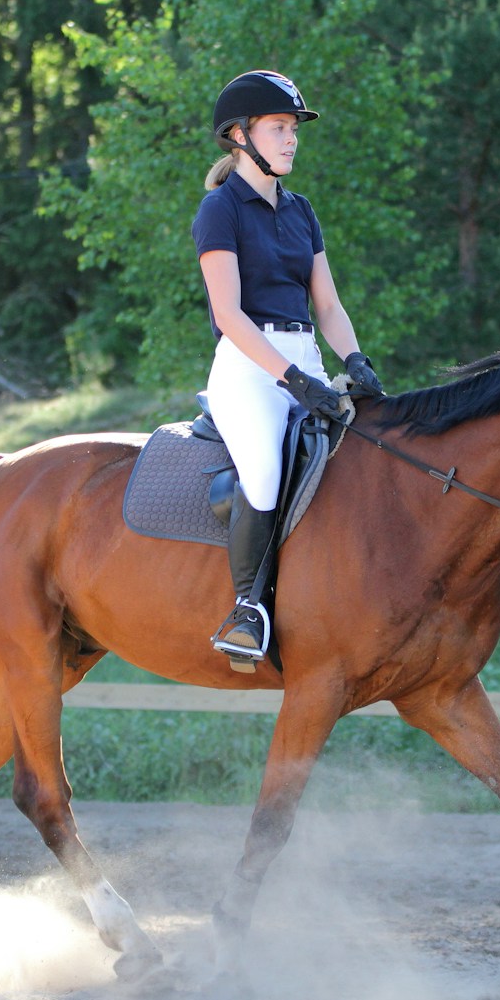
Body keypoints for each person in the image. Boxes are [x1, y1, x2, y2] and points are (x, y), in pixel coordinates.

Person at [192, 69, 385, 663]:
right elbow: (229, 314)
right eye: (279, 127)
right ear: (239, 135)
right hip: (250, 369)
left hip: (305, 359)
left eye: (293, 128)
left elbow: (326, 305)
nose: (291, 138)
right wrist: (292, 379)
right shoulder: (220, 210)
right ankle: (247, 610)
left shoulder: (301, 211)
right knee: (265, 470)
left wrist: (354, 358)